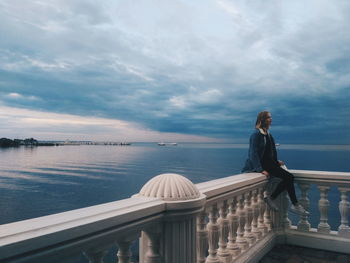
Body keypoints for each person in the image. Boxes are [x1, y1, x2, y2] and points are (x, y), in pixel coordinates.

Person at [242, 111, 309, 215]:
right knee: (289, 177)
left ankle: (279, 200)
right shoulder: (256, 135)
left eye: (270, 117)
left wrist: (277, 162)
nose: (271, 119)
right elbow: (253, 154)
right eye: (269, 117)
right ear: (263, 120)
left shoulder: (268, 134)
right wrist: (260, 169)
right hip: (264, 165)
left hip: (270, 164)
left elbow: (271, 151)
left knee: (289, 177)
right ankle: (291, 204)